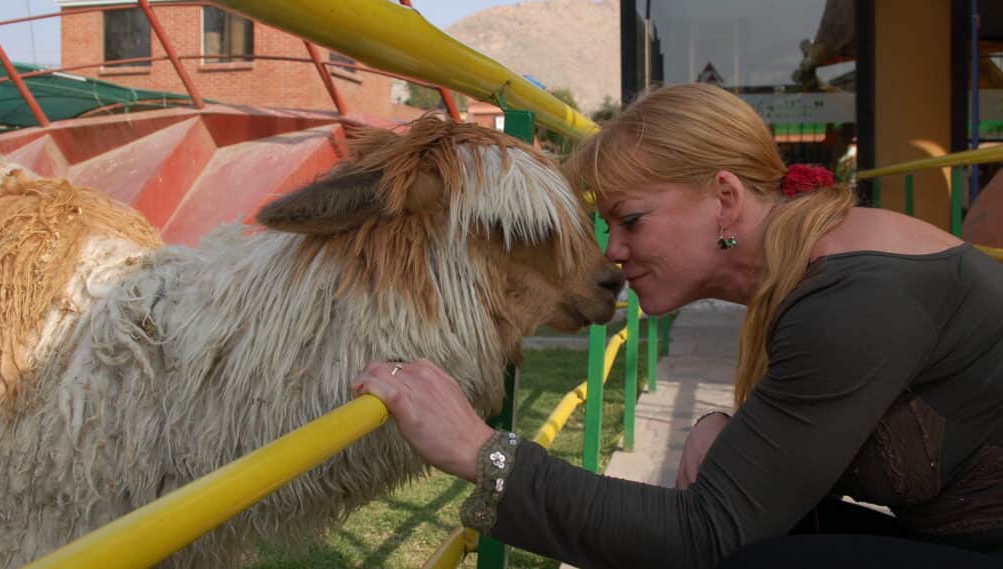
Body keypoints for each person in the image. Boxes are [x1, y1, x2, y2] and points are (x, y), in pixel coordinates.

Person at [352, 83, 1003, 569]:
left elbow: (704, 534)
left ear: (724, 199)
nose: (612, 251)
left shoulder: (852, 299)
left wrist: (479, 451)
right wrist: (719, 424)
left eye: (630, 219)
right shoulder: (819, 268)